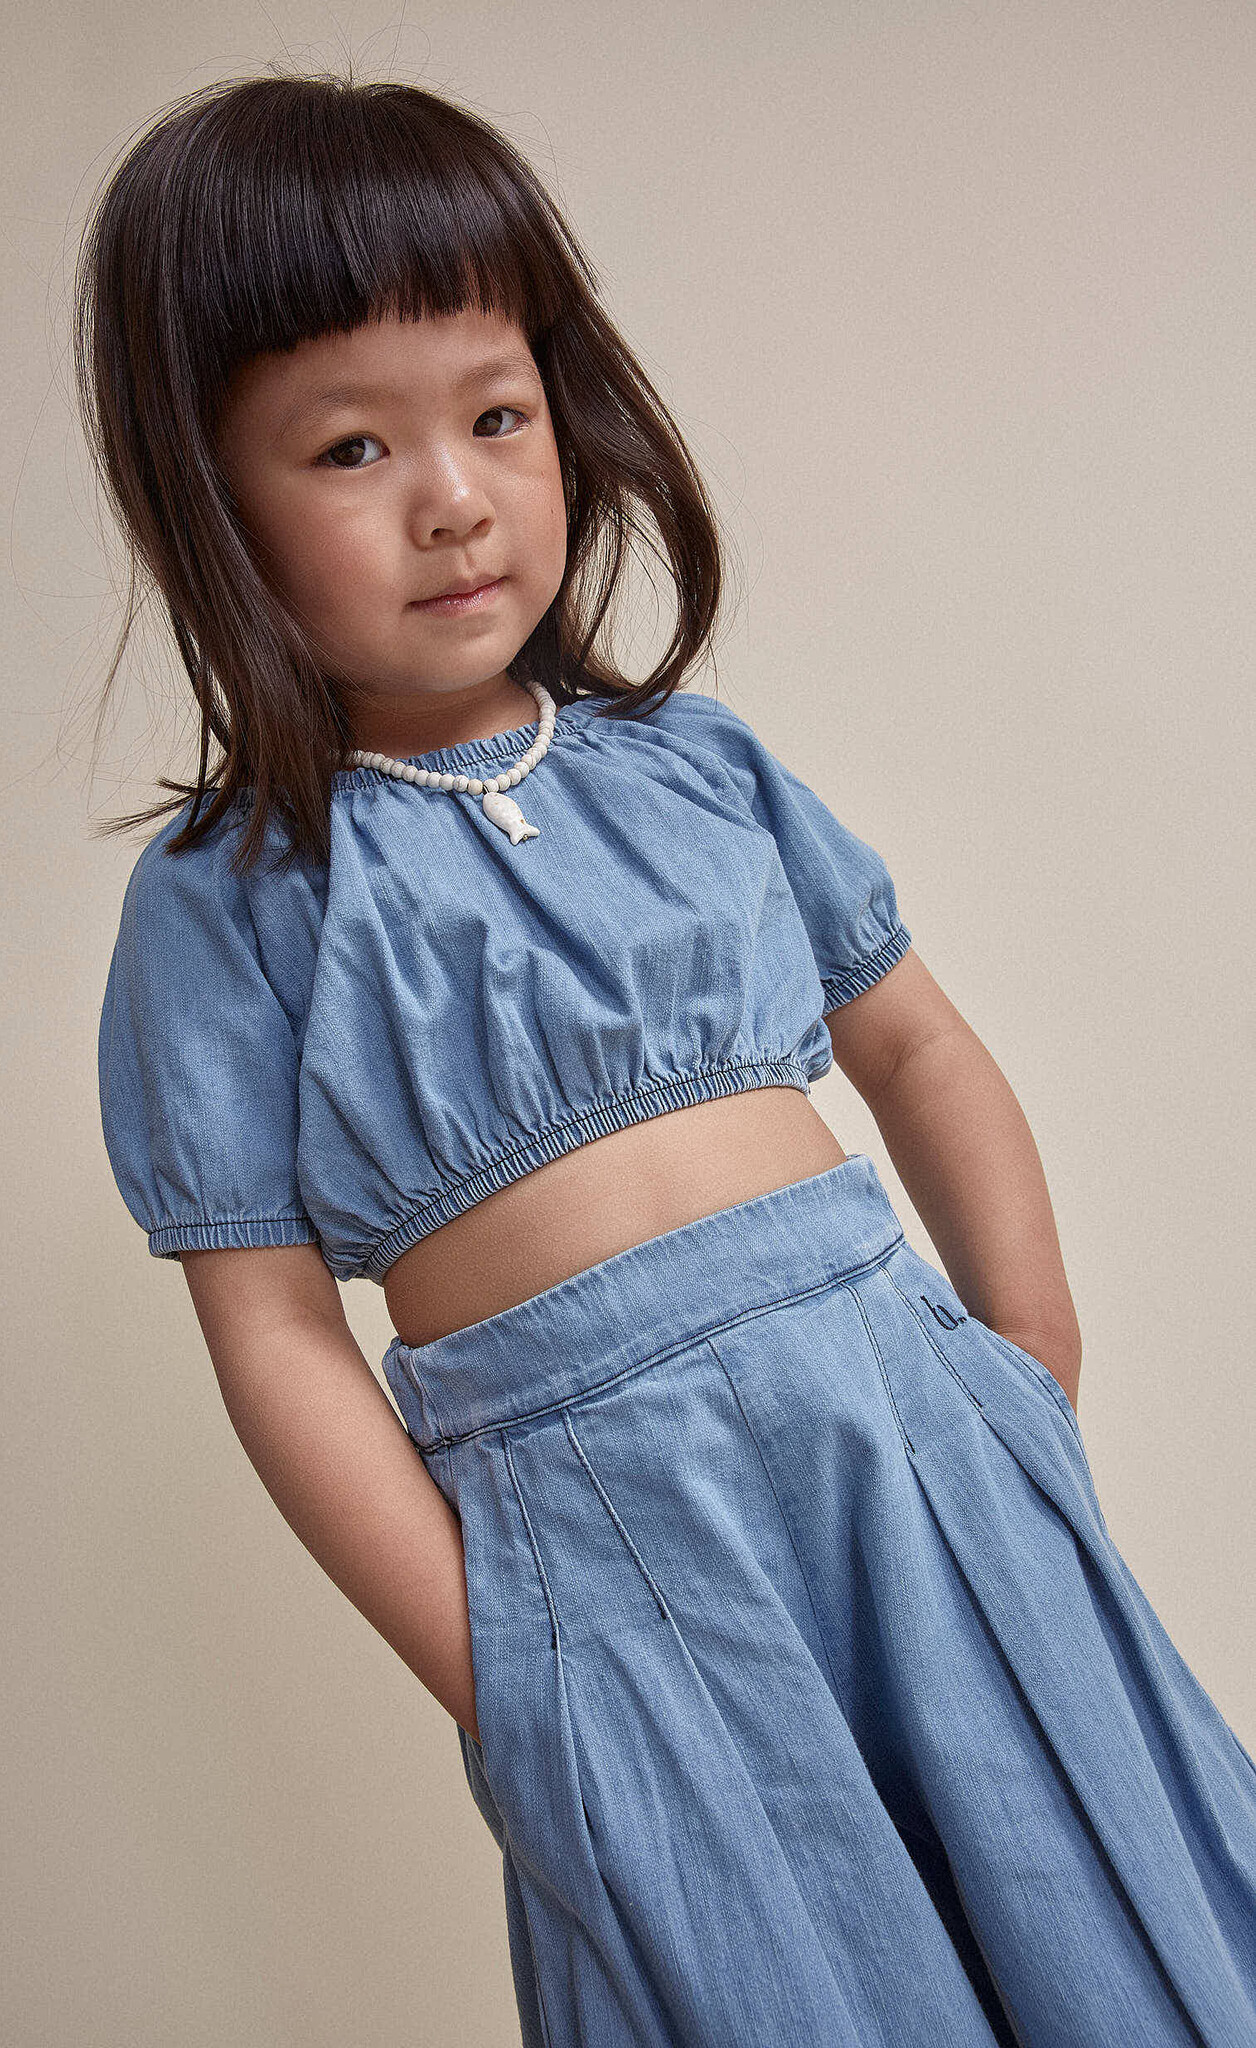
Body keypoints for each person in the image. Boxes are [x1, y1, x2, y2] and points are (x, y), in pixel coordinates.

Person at [83, 70, 1256, 2047]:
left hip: (918, 1453)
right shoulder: (236, 901)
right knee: (783, 1975)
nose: (452, 498)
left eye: (495, 415)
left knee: (1092, 1920)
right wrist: (500, 1670)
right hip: (611, 1562)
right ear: (211, 500)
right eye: (351, 445)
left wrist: (1028, 1363)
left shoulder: (696, 769)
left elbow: (915, 1044)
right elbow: (272, 1332)